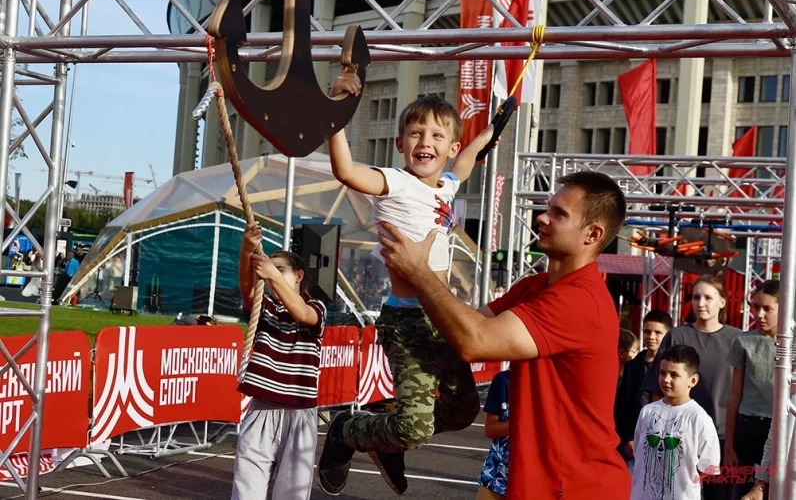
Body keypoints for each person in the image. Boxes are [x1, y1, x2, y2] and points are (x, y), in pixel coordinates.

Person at [359, 170, 631, 499]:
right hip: (540, 482)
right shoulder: (536, 287)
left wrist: (419, 272)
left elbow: (476, 341)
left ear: (592, 234)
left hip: (575, 487)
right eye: (548, 207)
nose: (543, 217)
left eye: (559, 213)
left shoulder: (579, 301)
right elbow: (464, 323)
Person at [317, 70, 494, 495]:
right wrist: (337, 108)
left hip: (443, 319)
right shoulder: (394, 183)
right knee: (416, 426)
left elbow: (466, 162)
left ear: (448, 148)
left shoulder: (447, 187)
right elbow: (343, 169)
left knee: (466, 410)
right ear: (400, 144)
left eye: (436, 136)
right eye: (415, 134)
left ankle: (389, 435)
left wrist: (488, 132)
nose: (424, 142)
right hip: (408, 321)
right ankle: (348, 431)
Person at [232, 223, 327, 500]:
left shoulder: (316, 307)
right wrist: (246, 249)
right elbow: (247, 289)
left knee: (292, 494)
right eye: (269, 269)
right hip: (261, 411)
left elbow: (302, 314)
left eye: (281, 269)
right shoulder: (266, 307)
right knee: (246, 491)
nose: (271, 274)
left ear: (299, 276)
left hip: (300, 415)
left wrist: (271, 274)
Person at [641, 275, 742, 500]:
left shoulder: (737, 340)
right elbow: (658, 389)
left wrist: (731, 446)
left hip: (723, 436)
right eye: (696, 297)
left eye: (708, 297)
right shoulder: (676, 336)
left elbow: (739, 392)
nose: (701, 303)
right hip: (675, 437)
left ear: (722, 302)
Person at [631, 344, 721, 500]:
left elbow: (708, 468)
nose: (666, 380)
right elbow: (639, 451)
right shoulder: (647, 411)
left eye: (674, 375)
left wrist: (683, 485)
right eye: (662, 373)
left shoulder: (699, 418)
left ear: (692, 380)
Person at [726, 280, 778, 500]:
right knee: (743, 492)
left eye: (767, 308)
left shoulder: (792, 343)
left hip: (780, 430)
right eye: (756, 307)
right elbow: (734, 395)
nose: (759, 314)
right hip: (747, 428)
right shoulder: (743, 342)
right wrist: (729, 444)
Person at [616, 310, 673, 472]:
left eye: (657, 332)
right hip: (634, 444)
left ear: (667, 335)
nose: (651, 336)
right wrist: (627, 439)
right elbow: (623, 406)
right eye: (647, 331)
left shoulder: (672, 367)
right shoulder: (632, 366)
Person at [477, 370, 510, 500]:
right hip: (497, 466)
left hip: (535, 469)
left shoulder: (553, 382)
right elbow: (490, 429)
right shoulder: (503, 380)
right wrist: (520, 424)